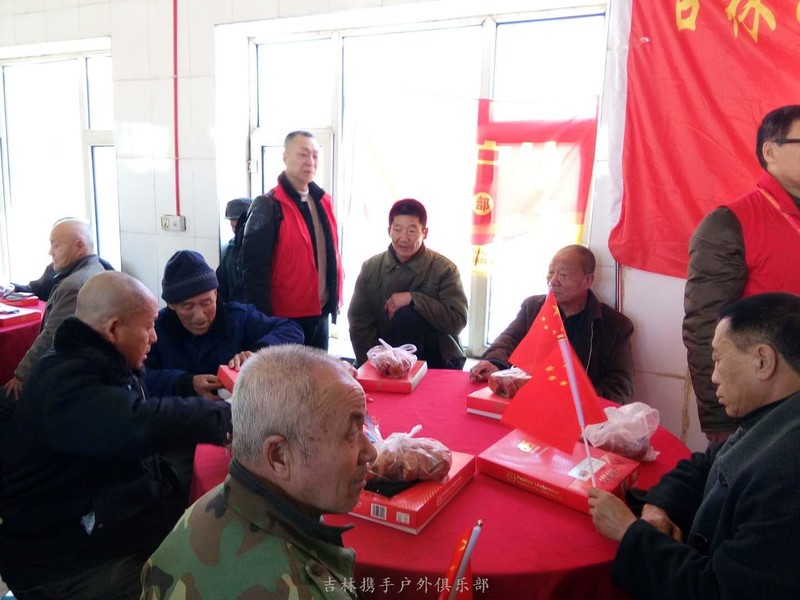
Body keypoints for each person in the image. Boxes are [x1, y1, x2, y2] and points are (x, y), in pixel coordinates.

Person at [0, 271, 232, 600]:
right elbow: (140, 423)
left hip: (99, 529)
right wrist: (228, 418)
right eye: (148, 327)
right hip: (63, 564)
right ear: (113, 330)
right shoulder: (66, 382)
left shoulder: (99, 363)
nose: (154, 338)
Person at [589, 292, 800, 600]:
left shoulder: (788, 474)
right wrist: (657, 508)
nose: (713, 377)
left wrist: (630, 532)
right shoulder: (772, 417)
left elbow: (719, 591)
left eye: (718, 360)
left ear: (762, 361)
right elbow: (704, 465)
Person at [141, 344, 377, 599]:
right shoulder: (301, 590)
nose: (371, 453)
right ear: (279, 456)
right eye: (351, 434)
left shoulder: (204, 508)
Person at [144, 250, 303, 499]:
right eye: (187, 307)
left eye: (206, 302)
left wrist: (258, 353)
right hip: (181, 429)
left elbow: (291, 330)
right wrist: (185, 383)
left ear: (216, 294)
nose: (199, 315)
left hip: (240, 425)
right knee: (178, 485)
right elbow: (140, 378)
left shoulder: (237, 317)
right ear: (171, 305)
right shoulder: (156, 330)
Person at [683, 105, 800, 443]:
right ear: (770, 152)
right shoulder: (728, 224)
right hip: (761, 412)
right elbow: (704, 328)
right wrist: (720, 418)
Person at [470, 245, 635, 404]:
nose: (553, 281)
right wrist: (494, 363)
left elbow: (620, 385)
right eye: (551, 272)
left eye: (563, 275)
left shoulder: (615, 325)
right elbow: (508, 339)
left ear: (587, 281)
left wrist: (579, 400)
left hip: (577, 412)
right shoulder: (533, 307)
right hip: (528, 401)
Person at [240, 131, 343, 351]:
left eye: (315, 155)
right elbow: (253, 270)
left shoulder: (323, 201)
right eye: (303, 154)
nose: (310, 162)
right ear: (285, 157)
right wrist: (264, 322)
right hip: (284, 320)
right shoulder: (268, 205)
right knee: (288, 374)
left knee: (319, 371)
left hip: (320, 312)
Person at [348, 198, 468, 370]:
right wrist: (377, 362)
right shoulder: (371, 268)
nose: (404, 238)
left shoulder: (444, 269)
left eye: (412, 231)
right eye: (397, 229)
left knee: (407, 316)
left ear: (425, 233)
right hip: (382, 358)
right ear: (389, 231)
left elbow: (457, 320)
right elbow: (359, 322)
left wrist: (414, 299)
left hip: (436, 358)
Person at [2, 218, 109, 400]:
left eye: (55, 245)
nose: (50, 251)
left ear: (79, 246)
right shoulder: (95, 268)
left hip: (64, 378)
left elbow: (52, 335)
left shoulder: (75, 285)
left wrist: (21, 375)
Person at [216, 197, 252, 303]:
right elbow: (220, 280)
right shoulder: (231, 248)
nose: (236, 231)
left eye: (240, 226)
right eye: (233, 227)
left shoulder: (263, 249)